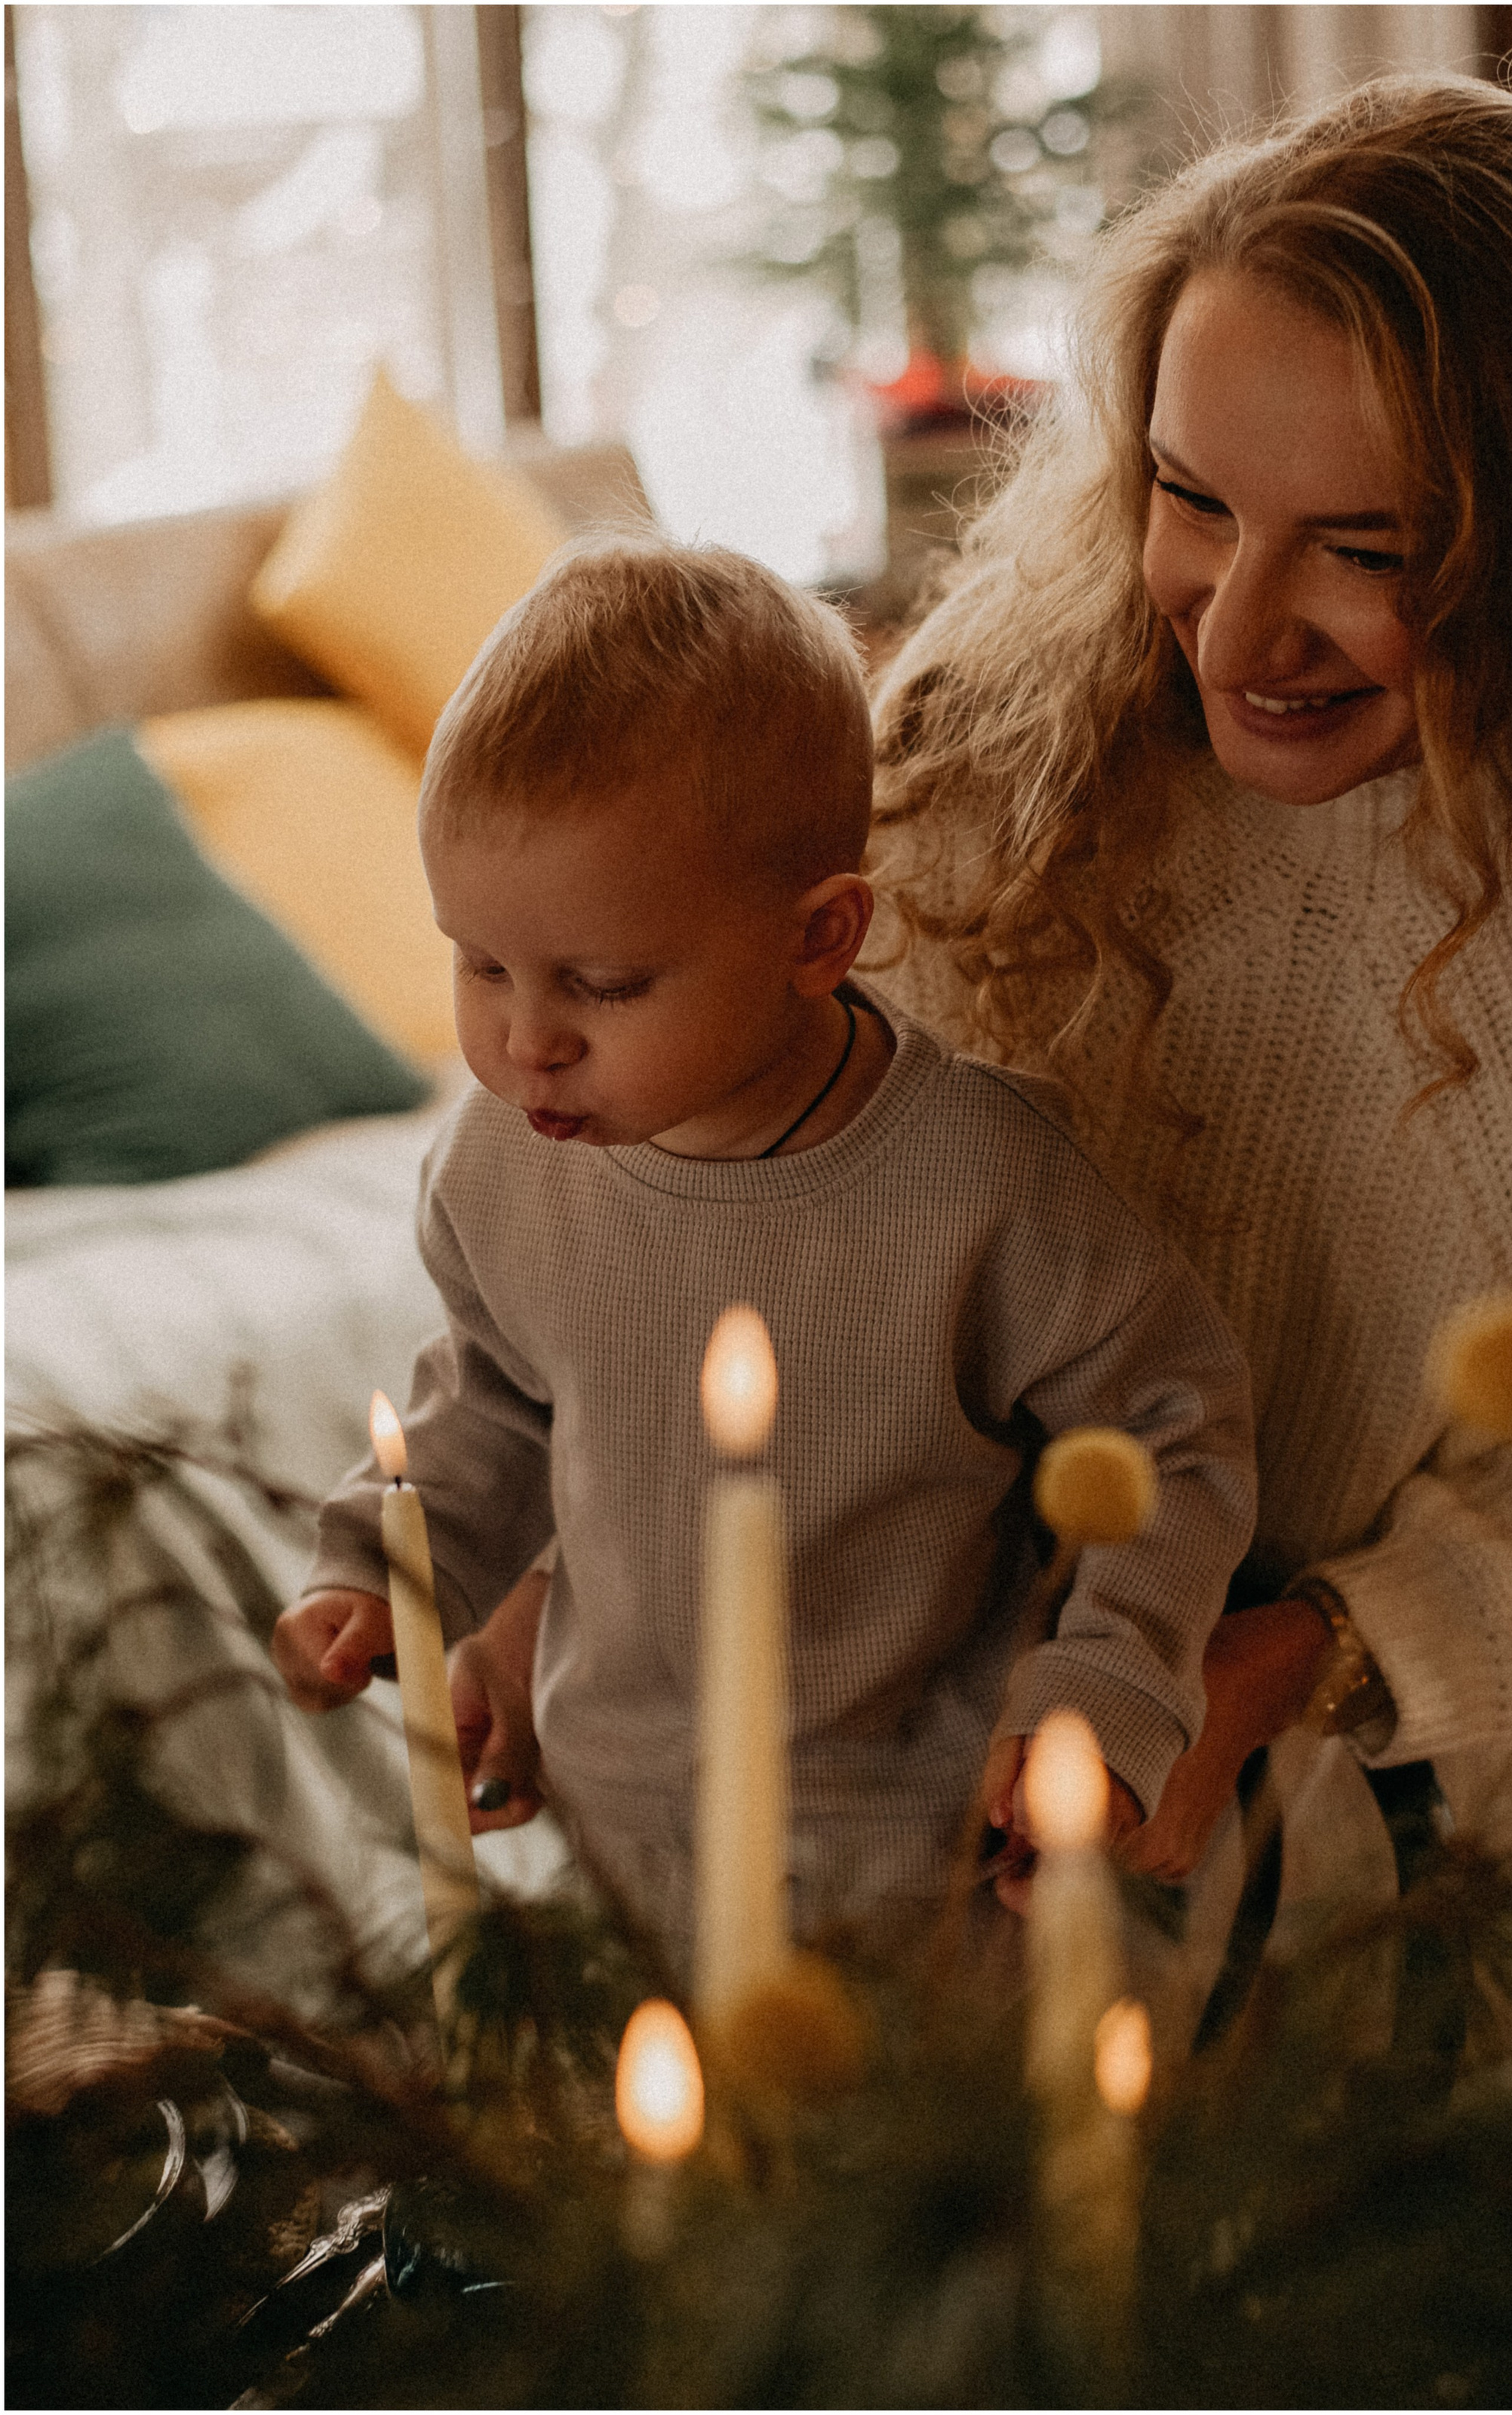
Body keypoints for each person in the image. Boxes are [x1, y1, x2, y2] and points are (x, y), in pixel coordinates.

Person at [865, 76, 1512, 2082]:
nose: (1240, 626)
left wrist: (1275, 1668)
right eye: (1192, 498)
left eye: (1368, 546)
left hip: (1437, 1847)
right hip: (980, 1774)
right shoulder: (995, 786)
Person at [271, 533, 1256, 1971]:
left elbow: (1175, 1433)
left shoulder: (982, 1185)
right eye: (477, 962)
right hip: (614, 1843)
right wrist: (386, 1570)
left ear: (819, 939)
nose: (522, 1038)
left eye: (600, 983)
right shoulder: (502, 1156)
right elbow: (492, 1398)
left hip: (924, 1878)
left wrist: (1106, 1689)